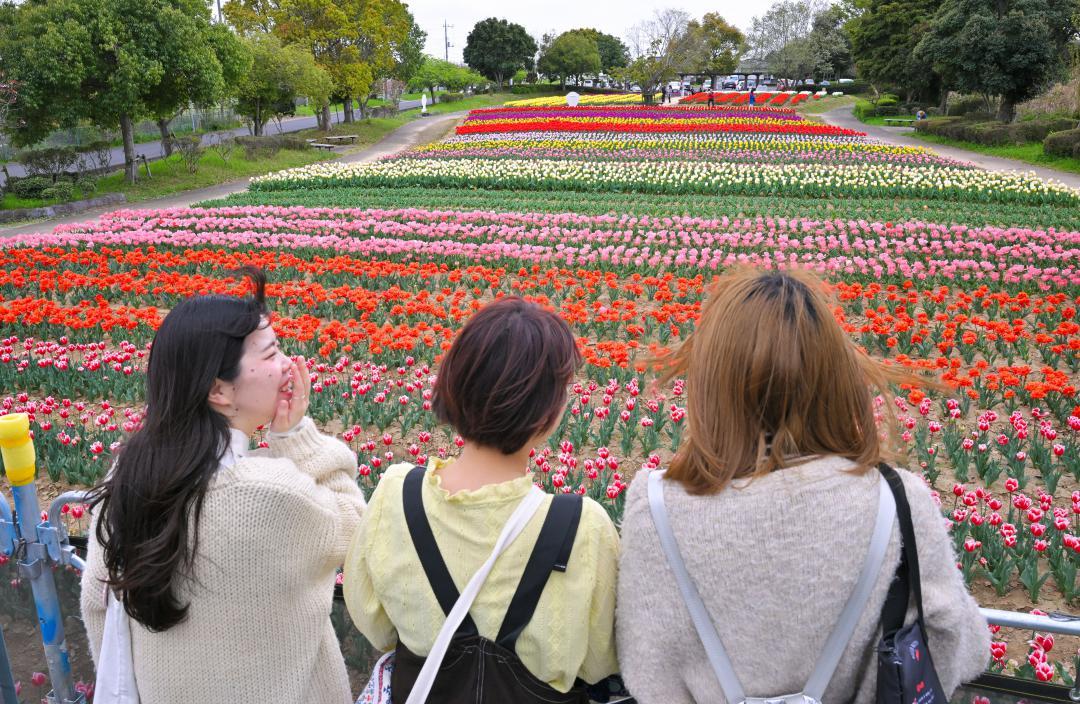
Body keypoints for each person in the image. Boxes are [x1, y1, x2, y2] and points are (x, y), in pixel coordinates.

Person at [616, 267, 989, 704]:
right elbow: (956, 645)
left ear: (710, 384)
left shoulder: (656, 508)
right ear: (834, 378)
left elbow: (645, 669)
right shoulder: (897, 500)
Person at [82, 268, 366, 704]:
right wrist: (296, 438)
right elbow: (352, 524)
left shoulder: (127, 478)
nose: (289, 364)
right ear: (219, 390)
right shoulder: (271, 495)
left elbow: (98, 607)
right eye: (271, 353)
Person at [344, 296, 619, 703]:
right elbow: (599, 661)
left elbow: (375, 622)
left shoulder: (397, 496)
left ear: (454, 383)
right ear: (549, 411)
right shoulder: (581, 528)